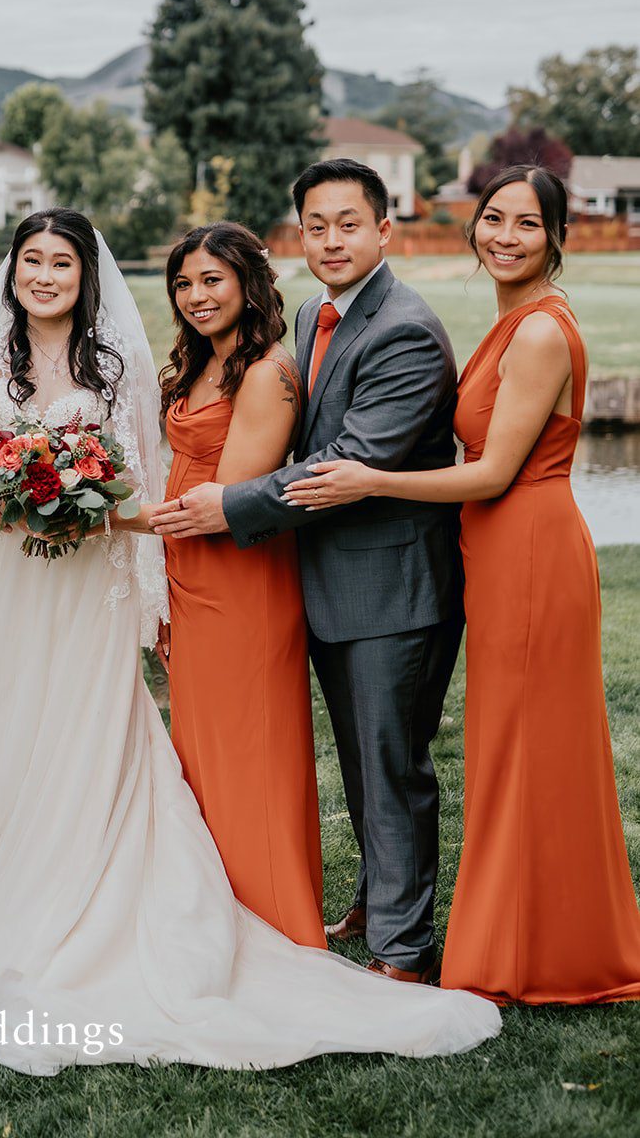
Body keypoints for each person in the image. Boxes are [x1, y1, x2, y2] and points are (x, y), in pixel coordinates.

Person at [0, 208, 501, 1074]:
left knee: (106, 726)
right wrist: (17, 496)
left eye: (63, 263)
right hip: (33, 567)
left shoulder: (130, 362)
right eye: (32, 260)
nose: (45, 275)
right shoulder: (6, 349)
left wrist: (82, 506)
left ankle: (313, 918)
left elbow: (159, 476)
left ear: (90, 278)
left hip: (130, 558)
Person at [285, 165, 640, 1005]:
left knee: (528, 753)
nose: (503, 236)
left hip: (529, 549)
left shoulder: (541, 332)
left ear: (556, 237)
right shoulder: (508, 321)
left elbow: (489, 476)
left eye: (524, 224)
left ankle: (536, 952)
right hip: (496, 551)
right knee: (512, 753)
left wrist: (370, 481)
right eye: (491, 219)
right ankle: (522, 931)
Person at [151, 159, 465, 986]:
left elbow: (346, 462)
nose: (330, 239)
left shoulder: (402, 327)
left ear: (383, 229)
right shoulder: (316, 318)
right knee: (365, 761)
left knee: (390, 763)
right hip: (325, 579)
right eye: (315, 226)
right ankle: (373, 903)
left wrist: (231, 504)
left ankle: (401, 950)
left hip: (391, 586)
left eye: (348, 223)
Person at [158, 222, 323, 946]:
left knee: (248, 750)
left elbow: (222, 504)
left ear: (247, 284)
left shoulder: (267, 373)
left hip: (241, 580)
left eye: (211, 280)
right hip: (187, 580)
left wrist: (88, 514)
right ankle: (212, 909)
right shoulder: (199, 363)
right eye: (184, 283)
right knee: (202, 751)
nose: (196, 296)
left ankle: (273, 920)